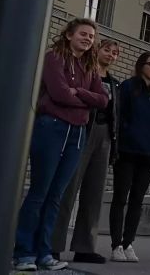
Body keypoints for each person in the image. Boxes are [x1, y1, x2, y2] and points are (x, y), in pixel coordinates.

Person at [12, 18, 109, 272]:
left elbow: (103, 100)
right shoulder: (54, 57)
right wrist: (82, 97)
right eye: (83, 34)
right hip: (52, 128)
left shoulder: (90, 66)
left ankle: (44, 252)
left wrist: (80, 93)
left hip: (77, 133)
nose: (88, 39)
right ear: (69, 35)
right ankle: (23, 252)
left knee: (57, 196)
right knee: (39, 192)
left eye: (91, 36)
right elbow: (59, 93)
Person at [51, 39, 121, 265]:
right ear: (97, 50)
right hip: (82, 129)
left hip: (104, 135)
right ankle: (52, 244)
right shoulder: (85, 72)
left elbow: (115, 113)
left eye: (115, 53)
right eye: (107, 50)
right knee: (68, 190)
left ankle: (84, 246)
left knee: (94, 193)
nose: (111, 55)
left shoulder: (115, 83)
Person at [109, 52, 150, 263]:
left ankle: (128, 243)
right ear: (141, 65)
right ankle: (116, 244)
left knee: (138, 200)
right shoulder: (128, 86)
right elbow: (119, 113)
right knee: (120, 198)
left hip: (149, 153)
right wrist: (128, 132)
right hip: (127, 151)